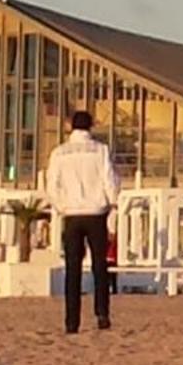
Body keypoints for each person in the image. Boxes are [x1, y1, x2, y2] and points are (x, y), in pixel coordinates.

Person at [44, 110, 120, 334]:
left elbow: (52, 186)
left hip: (72, 215)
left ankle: (71, 320)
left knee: (73, 269)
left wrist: (62, 206)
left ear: (70, 126)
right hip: (96, 213)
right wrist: (112, 202)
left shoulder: (59, 153)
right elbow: (109, 180)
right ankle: (102, 313)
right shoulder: (100, 150)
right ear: (91, 127)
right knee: (100, 266)